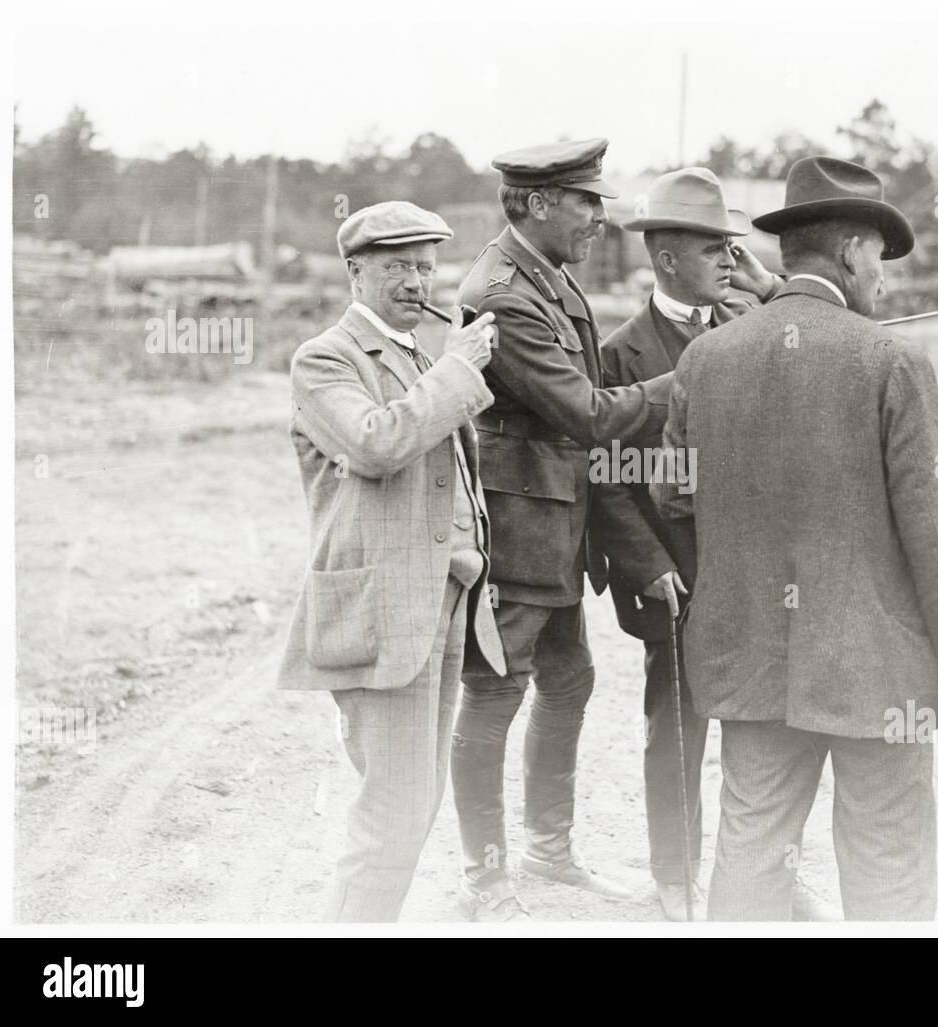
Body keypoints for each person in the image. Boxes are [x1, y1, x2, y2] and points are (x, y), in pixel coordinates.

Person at [651, 157, 938, 920]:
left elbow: (671, 494)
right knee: (887, 864)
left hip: (749, 662)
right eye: (879, 253)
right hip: (878, 673)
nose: (885, 275)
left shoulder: (704, 359)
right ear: (849, 250)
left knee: (750, 851)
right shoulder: (893, 362)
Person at [595, 166, 840, 921]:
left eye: (734, 249)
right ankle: (676, 872)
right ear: (667, 257)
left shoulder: (752, 331)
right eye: (713, 251)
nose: (729, 262)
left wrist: (772, 292)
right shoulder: (620, 355)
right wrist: (650, 565)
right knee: (676, 728)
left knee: (764, 730)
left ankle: (767, 869)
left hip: (753, 573)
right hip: (671, 578)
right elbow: (604, 475)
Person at [450, 139, 674, 921]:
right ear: (539, 203)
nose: (600, 218)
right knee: (493, 692)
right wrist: (690, 376)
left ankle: (548, 849)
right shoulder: (504, 294)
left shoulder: (549, 279)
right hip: (517, 531)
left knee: (568, 678)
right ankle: (484, 876)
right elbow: (586, 411)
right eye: (587, 201)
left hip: (556, 527)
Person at [277, 201, 503, 921]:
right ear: (355, 271)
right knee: (396, 806)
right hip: (381, 612)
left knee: (415, 800)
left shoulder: (419, 354)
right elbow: (376, 443)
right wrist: (461, 370)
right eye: (399, 266)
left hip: (437, 604)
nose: (417, 281)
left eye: (427, 267)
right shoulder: (325, 358)